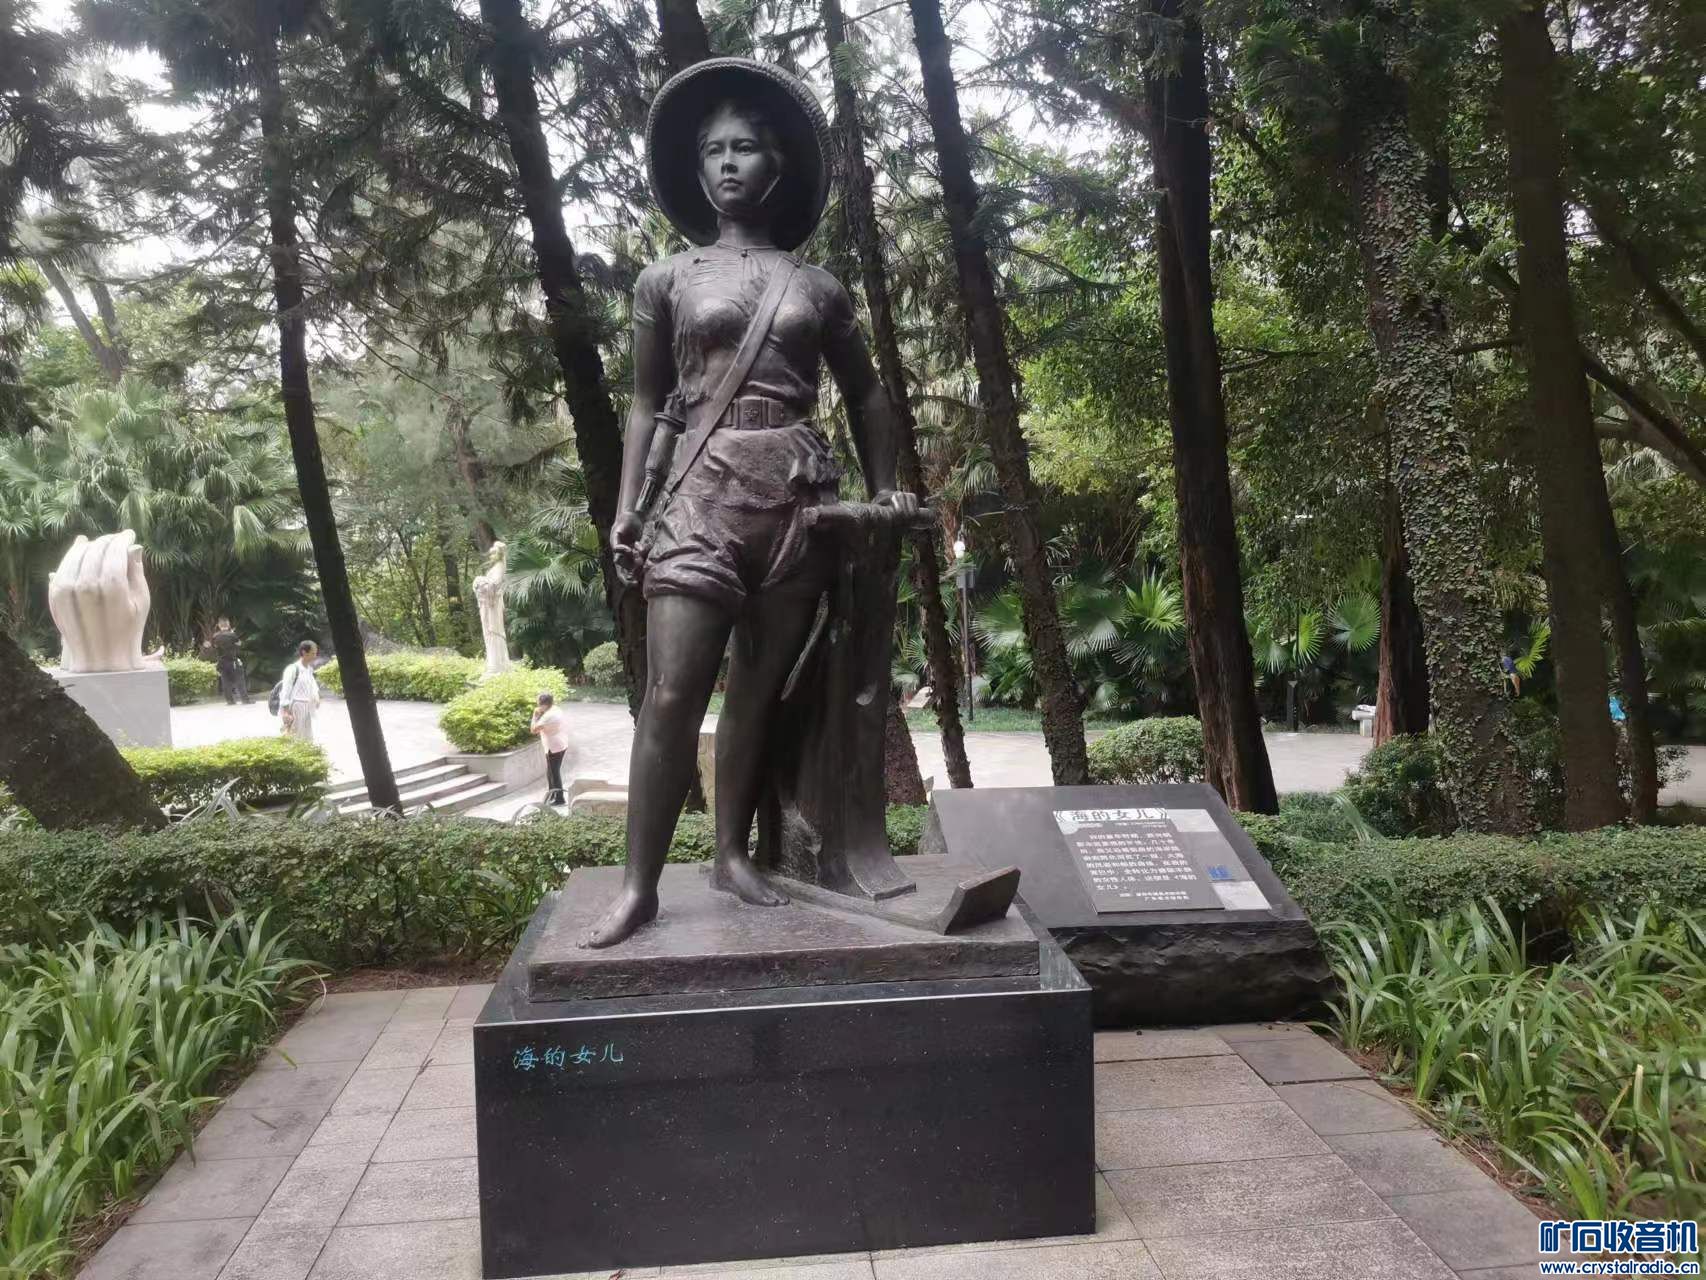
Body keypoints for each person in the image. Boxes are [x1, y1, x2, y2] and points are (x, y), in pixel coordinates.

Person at [582, 58, 919, 949]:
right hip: (700, 494)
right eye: (714, 150)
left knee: (757, 693)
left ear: (778, 165)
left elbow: (869, 394)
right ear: (696, 170)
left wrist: (886, 484)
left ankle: (731, 854)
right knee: (672, 694)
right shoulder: (666, 279)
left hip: (797, 499)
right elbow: (647, 402)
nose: (729, 163)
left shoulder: (817, 287)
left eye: (746, 148)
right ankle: (638, 887)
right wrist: (628, 507)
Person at [531, 691, 570, 805]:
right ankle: (552, 795)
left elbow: (533, 730)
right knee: (551, 772)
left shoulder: (548, 716)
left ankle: (559, 798)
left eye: (539, 704)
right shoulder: (555, 709)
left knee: (554, 773)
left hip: (553, 747)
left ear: (544, 704)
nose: (538, 706)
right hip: (560, 743)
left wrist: (535, 716)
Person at [280, 641, 322, 742]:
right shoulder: (292, 669)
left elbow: (313, 686)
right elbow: (285, 690)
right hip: (295, 706)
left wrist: (316, 697)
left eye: (315, 653)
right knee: (294, 737)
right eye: (313, 653)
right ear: (304, 652)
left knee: (307, 737)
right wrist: (285, 711)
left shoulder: (309, 669)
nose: (315, 656)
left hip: (307, 707)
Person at [209, 617, 249, 704]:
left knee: (225, 681)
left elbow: (214, 646)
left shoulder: (215, 636)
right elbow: (239, 644)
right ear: (228, 624)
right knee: (240, 679)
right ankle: (245, 700)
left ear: (219, 625)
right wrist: (232, 634)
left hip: (221, 662)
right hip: (232, 661)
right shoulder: (232, 635)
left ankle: (230, 701)